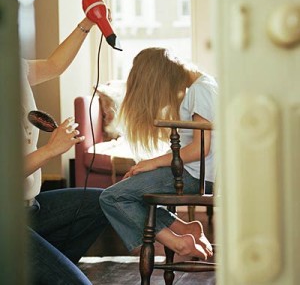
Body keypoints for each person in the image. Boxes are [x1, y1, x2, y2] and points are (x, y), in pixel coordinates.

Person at [100, 47, 217, 260]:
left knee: (113, 197)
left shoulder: (201, 90)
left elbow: (200, 149)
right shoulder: (204, 85)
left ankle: (178, 242)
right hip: (196, 172)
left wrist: (154, 163)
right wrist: (156, 163)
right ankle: (185, 230)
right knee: (130, 191)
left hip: (197, 175)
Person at [22, 16, 109, 285]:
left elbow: (54, 65)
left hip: (29, 208)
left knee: (102, 202)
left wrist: (88, 22)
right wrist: (51, 150)